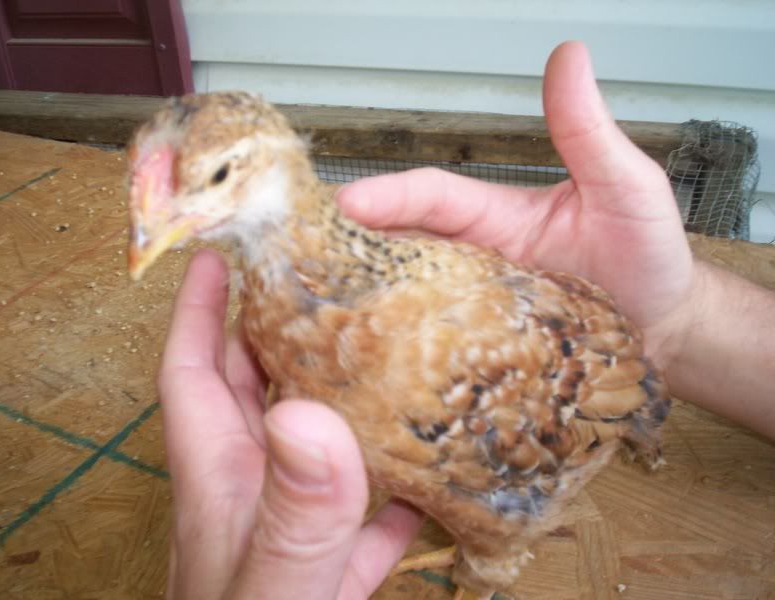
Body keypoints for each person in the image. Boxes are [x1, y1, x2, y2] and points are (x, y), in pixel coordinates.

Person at [156, 41, 775, 599]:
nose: (146, 229)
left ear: (276, 176)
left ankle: (477, 581)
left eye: (212, 177)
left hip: (583, 373)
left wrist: (663, 336)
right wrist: (682, 315)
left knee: (489, 534)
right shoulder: (293, 314)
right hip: (533, 329)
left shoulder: (426, 366)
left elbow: (601, 392)